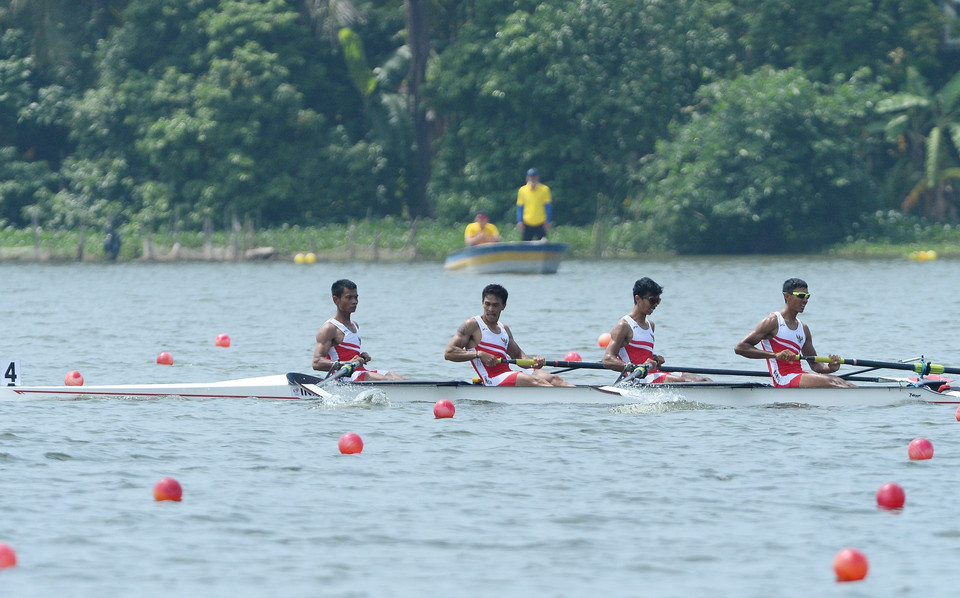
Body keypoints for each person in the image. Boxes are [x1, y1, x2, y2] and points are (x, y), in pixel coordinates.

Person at [734, 278, 855, 388]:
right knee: (834, 383)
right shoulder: (772, 321)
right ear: (787, 296)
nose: (805, 300)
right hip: (782, 378)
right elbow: (740, 348)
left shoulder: (803, 328)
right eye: (801, 296)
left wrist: (831, 368)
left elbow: (815, 365)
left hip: (798, 375)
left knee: (842, 383)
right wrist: (775, 355)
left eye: (808, 296)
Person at [444, 283, 571, 386]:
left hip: (508, 374)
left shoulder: (504, 329)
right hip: (491, 379)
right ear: (482, 302)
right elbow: (449, 353)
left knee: (553, 379)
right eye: (487, 304)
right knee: (536, 381)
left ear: (503, 306)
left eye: (495, 305)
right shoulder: (472, 325)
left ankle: (581, 402)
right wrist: (479, 354)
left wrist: (534, 362)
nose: (490, 309)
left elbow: (518, 356)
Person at [601, 277, 710, 383]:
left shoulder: (650, 325)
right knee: (677, 381)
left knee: (703, 380)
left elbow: (641, 354)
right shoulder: (624, 325)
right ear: (637, 298)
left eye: (658, 301)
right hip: (636, 378)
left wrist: (654, 358)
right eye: (652, 300)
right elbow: (607, 360)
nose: (655, 305)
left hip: (653, 373)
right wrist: (635, 367)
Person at [312, 279, 405, 381]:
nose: (354, 301)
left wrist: (361, 357)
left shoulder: (354, 325)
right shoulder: (330, 328)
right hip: (343, 378)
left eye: (356, 297)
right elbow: (316, 363)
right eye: (349, 298)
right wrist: (347, 363)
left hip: (360, 372)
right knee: (388, 381)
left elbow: (347, 354)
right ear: (336, 300)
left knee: (399, 378)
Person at [516, 167, 552, 241]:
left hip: (541, 223)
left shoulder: (544, 190)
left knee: (543, 244)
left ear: (537, 177)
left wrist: (548, 221)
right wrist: (520, 221)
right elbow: (520, 207)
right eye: (531, 177)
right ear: (527, 178)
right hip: (527, 223)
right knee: (525, 246)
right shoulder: (522, 190)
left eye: (534, 176)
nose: (532, 178)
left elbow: (548, 206)